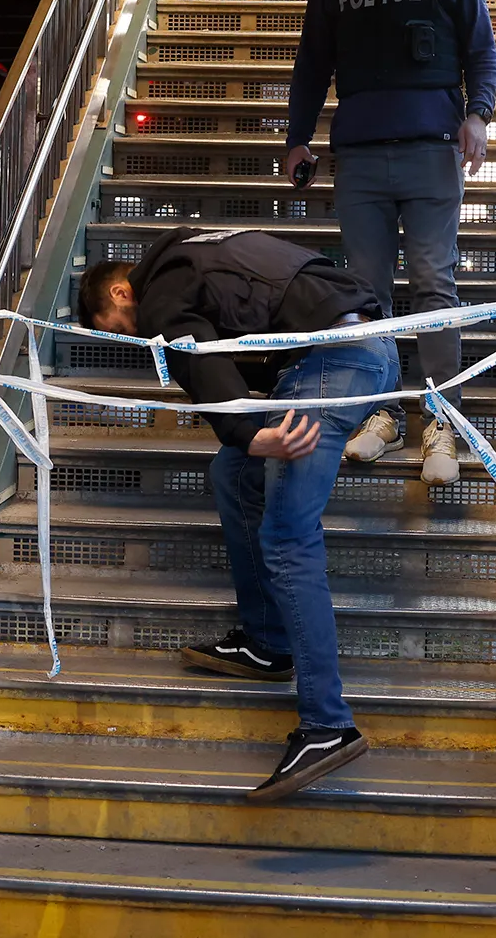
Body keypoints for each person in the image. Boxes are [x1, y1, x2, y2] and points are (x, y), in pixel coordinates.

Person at [77, 227, 398, 800]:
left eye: (119, 326)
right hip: (349, 351)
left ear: (122, 295)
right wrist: (244, 438)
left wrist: (250, 432)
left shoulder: (162, 284)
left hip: (334, 361)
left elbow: (187, 342)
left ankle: (328, 726)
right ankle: (267, 642)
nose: (132, 336)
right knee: (231, 472)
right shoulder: (199, 254)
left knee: (286, 537)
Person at [285, 0, 496, 486]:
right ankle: (381, 412)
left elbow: (482, 50)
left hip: (431, 147)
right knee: (367, 296)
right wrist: (298, 137)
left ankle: (442, 421)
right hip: (358, 154)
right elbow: (312, 62)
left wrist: (478, 116)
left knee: (434, 285)